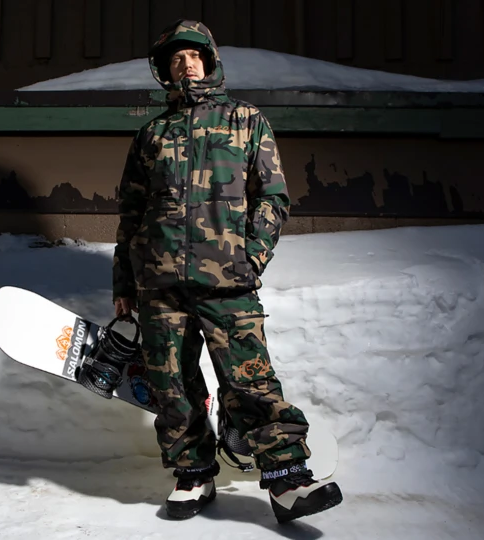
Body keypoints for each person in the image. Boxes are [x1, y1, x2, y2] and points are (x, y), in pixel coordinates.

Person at [112, 19, 343, 523]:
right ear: (164, 70)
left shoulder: (245, 119)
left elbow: (273, 197)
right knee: (170, 383)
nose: (185, 64)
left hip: (228, 281)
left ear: (210, 62)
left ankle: (288, 483)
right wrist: (125, 283)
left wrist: (250, 256)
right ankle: (193, 475)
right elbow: (131, 214)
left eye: (193, 56)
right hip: (160, 284)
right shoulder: (152, 134)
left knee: (250, 380)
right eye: (175, 59)